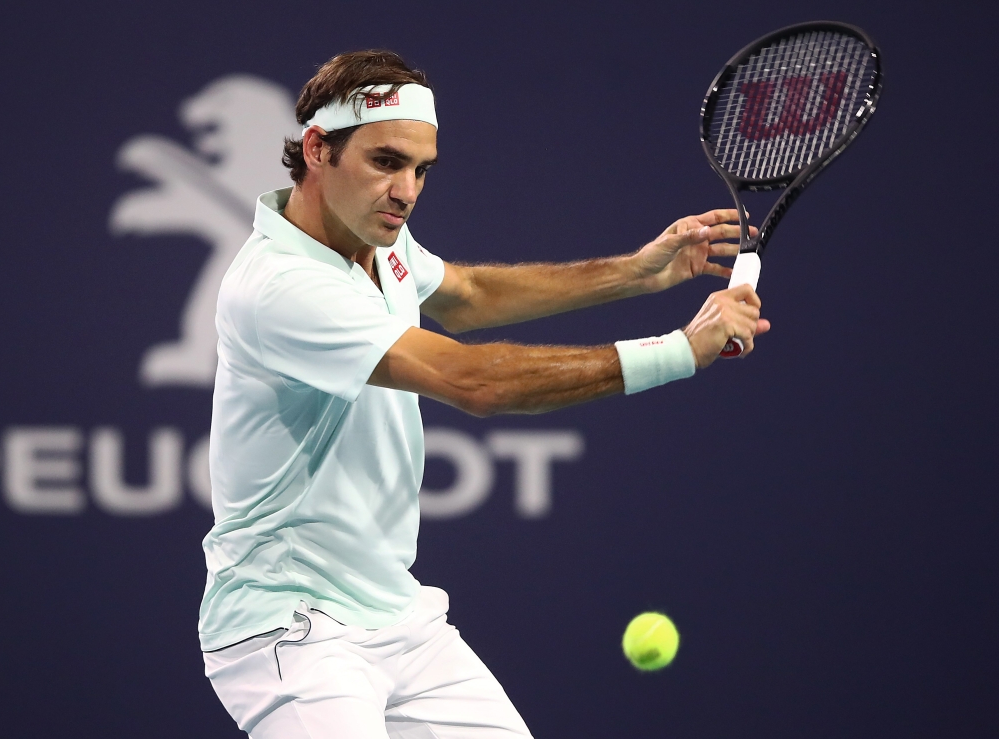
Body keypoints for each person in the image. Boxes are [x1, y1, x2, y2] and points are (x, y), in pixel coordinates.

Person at [199, 50, 768, 739]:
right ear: (318, 149)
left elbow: (467, 295)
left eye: (421, 169)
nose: (406, 191)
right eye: (386, 162)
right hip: (291, 628)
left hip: (397, 616)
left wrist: (637, 273)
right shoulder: (282, 286)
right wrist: (680, 349)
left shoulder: (375, 236)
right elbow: (478, 382)